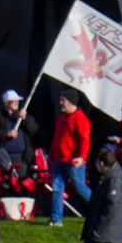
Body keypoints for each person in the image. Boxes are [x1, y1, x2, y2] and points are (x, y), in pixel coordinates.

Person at [47, 89, 92, 227]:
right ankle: (56, 219)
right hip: (59, 161)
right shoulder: (61, 119)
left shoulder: (80, 118)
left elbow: (85, 140)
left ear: (71, 102)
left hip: (74, 162)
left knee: (80, 188)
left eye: (63, 100)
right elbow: (57, 139)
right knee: (57, 189)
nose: (60, 103)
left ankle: (100, 209)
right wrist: (52, 155)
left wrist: (82, 157)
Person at [0, 88, 38, 185]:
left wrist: (25, 119)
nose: (17, 103)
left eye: (17, 101)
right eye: (14, 101)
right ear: (6, 103)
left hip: (21, 159)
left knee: (21, 184)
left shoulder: (21, 116)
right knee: (5, 185)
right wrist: (6, 134)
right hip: (4, 159)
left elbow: (34, 130)